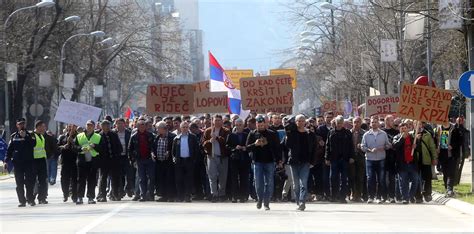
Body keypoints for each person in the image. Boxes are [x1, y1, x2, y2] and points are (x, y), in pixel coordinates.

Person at [246, 115, 281, 211]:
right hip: (257, 162)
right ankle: (259, 198)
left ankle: (266, 202)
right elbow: (247, 147)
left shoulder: (272, 133)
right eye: (258, 125)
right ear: (256, 124)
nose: (260, 126)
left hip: (269, 161)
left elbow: (277, 148)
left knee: (269, 183)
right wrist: (255, 144)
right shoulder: (252, 134)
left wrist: (279, 160)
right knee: (258, 182)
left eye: (262, 125)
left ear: (265, 124)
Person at [285, 115, 317, 211]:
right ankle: (298, 201)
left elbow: (314, 148)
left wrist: (312, 161)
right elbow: (287, 145)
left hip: (305, 162)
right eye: (298, 121)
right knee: (296, 185)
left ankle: (302, 201)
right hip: (294, 161)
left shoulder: (310, 134)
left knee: (303, 183)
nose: (300, 122)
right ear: (296, 122)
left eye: (302, 121)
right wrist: (288, 133)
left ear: (305, 122)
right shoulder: (292, 133)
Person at [361, 116, 392, 204]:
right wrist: (370, 150)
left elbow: (388, 145)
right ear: (370, 124)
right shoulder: (366, 134)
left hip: (381, 159)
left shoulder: (383, 134)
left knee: (381, 179)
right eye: (372, 122)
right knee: (370, 178)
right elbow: (363, 147)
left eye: (375, 122)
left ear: (378, 123)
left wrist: (385, 147)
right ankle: (371, 197)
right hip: (370, 159)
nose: (374, 123)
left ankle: (379, 197)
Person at [6, 118, 36, 207]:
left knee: (29, 182)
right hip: (17, 163)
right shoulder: (13, 136)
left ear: (25, 124)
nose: (21, 126)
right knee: (19, 183)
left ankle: (30, 199)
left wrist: (25, 137)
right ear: (17, 125)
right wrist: (6, 160)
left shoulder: (30, 134)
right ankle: (22, 201)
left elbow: (33, 144)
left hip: (28, 162)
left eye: (23, 124)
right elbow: (9, 149)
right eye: (20, 124)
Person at [325, 115, 354, 203]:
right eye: (338, 123)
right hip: (334, 159)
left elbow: (351, 146)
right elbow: (327, 145)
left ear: (343, 124)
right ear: (335, 123)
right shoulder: (331, 132)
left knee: (344, 179)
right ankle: (333, 196)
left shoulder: (347, 133)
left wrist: (352, 157)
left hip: (344, 159)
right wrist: (327, 157)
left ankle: (342, 197)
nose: (339, 125)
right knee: (333, 178)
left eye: (341, 123)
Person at [202, 114, 230, 202]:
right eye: (215, 120)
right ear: (212, 121)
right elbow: (203, 144)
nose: (217, 122)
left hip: (222, 157)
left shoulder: (226, 131)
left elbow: (227, 142)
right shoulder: (208, 131)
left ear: (222, 121)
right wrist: (209, 141)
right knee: (212, 176)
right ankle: (214, 193)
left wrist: (217, 138)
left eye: (219, 120)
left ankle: (222, 194)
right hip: (211, 156)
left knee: (222, 177)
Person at [129, 119, 157, 202]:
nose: (142, 126)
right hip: (139, 160)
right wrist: (132, 160)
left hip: (149, 160)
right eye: (140, 125)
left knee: (151, 177)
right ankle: (142, 195)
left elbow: (154, 146)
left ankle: (150, 195)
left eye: (143, 125)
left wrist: (153, 153)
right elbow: (130, 149)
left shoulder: (150, 135)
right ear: (137, 126)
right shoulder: (134, 136)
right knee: (141, 178)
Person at [75, 120, 102, 205]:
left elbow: (102, 148)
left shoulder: (98, 136)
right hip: (82, 160)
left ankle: (91, 197)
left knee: (92, 180)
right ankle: (79, 197)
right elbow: (74, 147)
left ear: (94, 127)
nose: (89, 127)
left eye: (91, 125)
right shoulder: (79, 136)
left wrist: (95, 146)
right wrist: (80, 148)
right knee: (81, 180)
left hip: (93, 160)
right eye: (88, 125)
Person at [172, 122, 200, 202]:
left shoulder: (193, 137)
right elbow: (173, 151)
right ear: (180, 128)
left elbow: (196, 150)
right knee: (179, 179)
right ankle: (180, 196)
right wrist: (174, 159)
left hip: (189, 161)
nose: (185, 128)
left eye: (186, 127)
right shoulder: (177, 138)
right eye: (183, 127)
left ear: (188, 128)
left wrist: (194, 160)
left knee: (189, 180)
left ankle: (188, 196)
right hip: (179, 161)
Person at [392, 122, 419, 204]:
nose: (403, 130)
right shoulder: (396, 137)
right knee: (403, 182)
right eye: (402, 128)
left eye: (405, 128)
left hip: (412, 163)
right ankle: (405, 198)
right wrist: (402, 138)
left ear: (408, 129)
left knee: (415, 180)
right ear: (399, 129)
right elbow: (395, 146)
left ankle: (410, 196)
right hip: (402, 164)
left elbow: (418, 149)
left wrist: (416, 146)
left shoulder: (412, 137)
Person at [226, 118, 251, 203]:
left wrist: (245, 148)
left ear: (243, 125)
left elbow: (251, 146)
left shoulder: (247, 134)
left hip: (244, 159)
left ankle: (243, 196)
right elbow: (227, 146)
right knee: (234, 179)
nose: (238, 127)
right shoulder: (231, 135)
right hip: (234, 159)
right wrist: (234, 148)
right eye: (237, 125)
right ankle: (234, 196)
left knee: (244, 178)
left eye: (240, 125)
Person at [97, 120, 123, 202]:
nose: (106, 127)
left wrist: (117, 155)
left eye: (108, 125)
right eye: (104, 125)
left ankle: (115, 195)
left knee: (115, 178)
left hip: (114, 160)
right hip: (104, 161)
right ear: (101, 126)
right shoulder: (98, 136)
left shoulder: (113, 134)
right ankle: (102, 196)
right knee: (103, 178)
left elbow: (119, 146)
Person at [413, 122, 438, 203]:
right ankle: (417, 196)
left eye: (419, 124)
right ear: (414, 125)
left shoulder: (427, 134)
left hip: (425, 159)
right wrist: (416, 139)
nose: (418, 126)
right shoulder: (411, 135)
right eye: (416, 124)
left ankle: (427, 193)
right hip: (415, 161)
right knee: (416, 179)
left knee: (427, 178)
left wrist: (434, 158)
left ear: (422, 125)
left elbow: (432, 147)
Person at [154, 121, 176, 202]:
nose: (157, 130)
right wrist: (152, 153)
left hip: (169, 162)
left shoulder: (172, 136)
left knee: (169, 179)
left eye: (158, 128)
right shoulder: (157, 137)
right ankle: (163, 196)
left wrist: (169, 152)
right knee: (161, 179)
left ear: (163, 128)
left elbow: (176, 148)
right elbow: (154, 147)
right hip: (159, 162)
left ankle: (171, 196)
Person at [112, 118, 133, 198]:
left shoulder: (129, 133)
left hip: (127, 156)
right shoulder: (113, 133)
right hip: (117, 157)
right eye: (118, 123)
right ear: (116, 124)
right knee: (119, 175)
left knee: (129, 174)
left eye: (121, 123)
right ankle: (120, 191)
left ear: (125, 124)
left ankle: (128, 189)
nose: (120, 125)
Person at [58, 124, 78, 202]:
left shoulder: (79, 136)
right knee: (64, 179)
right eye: (69, 126)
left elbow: (80, 147)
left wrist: (72, 142)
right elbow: (57, 147)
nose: (71, 128)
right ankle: (65, 194)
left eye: (73, 126)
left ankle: (74, 195)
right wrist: (63, 147)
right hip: (65, 161)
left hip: (75, 160)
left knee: (74, 179)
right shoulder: (62, 137)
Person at [32, 120, 50, 204]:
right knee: (32, 180)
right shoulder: (32, 136)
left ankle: (42, 198)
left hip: (42, 160)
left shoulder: (42, 136)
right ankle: (31, 197)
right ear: (38, 127)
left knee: (43, 180)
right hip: (34, 161)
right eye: (43, 126)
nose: (44, 128)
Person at [382, 115, 399, 203]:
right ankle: (384, 196)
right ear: (387, 121)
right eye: (392, 120)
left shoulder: (396, 132)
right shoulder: (381, 132)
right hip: (383, 158)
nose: (394, 122)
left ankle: (392, 196)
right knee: (383, 178)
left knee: (392, 178)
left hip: (393, 158)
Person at [349, 116, 366, 202]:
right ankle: (353, 193)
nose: (356, 124)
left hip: (361, 157)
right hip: (351, 158)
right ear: (352, 123)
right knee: (352, 176)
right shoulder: (349, 133)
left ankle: (359, 195)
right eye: (355, 122)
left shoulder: (365, 133)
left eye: (358, 122)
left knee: (360, 177)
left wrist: (362, 148)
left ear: (361, 123)